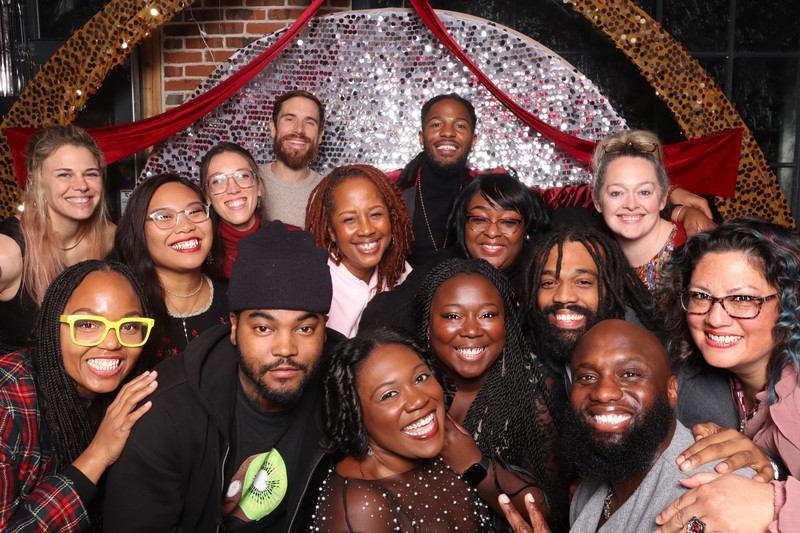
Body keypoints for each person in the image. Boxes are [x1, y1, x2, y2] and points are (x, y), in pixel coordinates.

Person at [104, 221, 344, 532]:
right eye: (263, 328)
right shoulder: (166, 409)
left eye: (305, 329)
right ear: (234, 326)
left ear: (324, 331)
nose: (286, 348)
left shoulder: (348, 385)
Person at [390, 93, 714, 266]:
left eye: (459, 126)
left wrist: (673, 200)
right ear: (421, 135)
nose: (448, 132)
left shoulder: (491, 190)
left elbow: (582, 197)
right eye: (437, 125)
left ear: (474, 139)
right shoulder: (392, 192)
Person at [524, 319, 753, 533]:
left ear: (671, 390)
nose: (603, 393)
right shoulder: (590, 487)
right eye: (587, 377)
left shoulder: (716, 495)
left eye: (630, 374)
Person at [654, 218, 800, 531]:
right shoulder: (693, 380)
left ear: (791, 303)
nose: (715, 318)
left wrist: (773, 502)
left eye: (744, 299)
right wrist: (769, 467)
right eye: (701, 296)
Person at [0, 259, 158, 530]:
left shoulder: (138, 394)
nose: (112, 342)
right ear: (53, 325)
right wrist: (98, 454)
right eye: (87, 324)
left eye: (130, 326)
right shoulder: (7, 403)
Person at [415, 258, 565, 531]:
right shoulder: (409, 381)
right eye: (452, 316)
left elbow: (549, 512)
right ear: (428, 323)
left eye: (487, 315)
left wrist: (475, 465)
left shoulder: (533, 389)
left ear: (506, 324)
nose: (471, 330)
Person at [312, 328, 492, 531]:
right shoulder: (360, 506)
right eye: (389, 394)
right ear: (355, 414)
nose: (418, 400)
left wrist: (474, 463)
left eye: (421, 378)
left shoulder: (447, 449)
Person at [359, 172, 549, 334]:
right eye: (479, 219)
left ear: (525, 228)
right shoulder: (438, 269)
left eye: (508, 222)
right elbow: (378, 321)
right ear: (463, 224)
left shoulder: (542, 274)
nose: (492, 232)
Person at [0, 125, 115, 353]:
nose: (82, 186)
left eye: (90, 174)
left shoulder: (114, 239)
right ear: (34, 181)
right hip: (19, 386)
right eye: (65, 174)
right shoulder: (8, 252)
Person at [524, 225, 659, 404]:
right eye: (549, 282)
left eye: (583, 282)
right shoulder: (541, 341)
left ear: (609, 290)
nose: (563, 296)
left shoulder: (642, 352)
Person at [111, 173, 228, 359]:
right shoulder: (122, 304)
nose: (185, 226)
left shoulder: (236, 298)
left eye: (195, 211)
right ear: (138, 230)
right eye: (164, 216)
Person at [591, 129, 712, 291]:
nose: (631, 204)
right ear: (597, 201)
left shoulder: (695, 248)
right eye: (616, 193)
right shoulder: (598, 261)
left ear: (663, 198)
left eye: (644, 192)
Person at [305, 164, 412, 338]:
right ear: (331, 231)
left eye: (375, 215)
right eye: (349, 219)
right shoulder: (314, 280)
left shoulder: (401, 271)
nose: (366, 229)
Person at [199, 142, 268, 279]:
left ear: (258, 186)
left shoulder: (291, 239)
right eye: (218, 181)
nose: (233, 189)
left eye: (242, 176)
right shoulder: (197, 254)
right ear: (207, 196)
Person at [257, 90, 326, 228]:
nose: (299, 130)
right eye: (289, 119)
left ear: (320, 136)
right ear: (273, 128)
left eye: (309, 122)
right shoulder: (247, 182)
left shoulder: (329, 192)